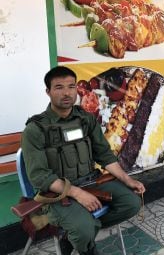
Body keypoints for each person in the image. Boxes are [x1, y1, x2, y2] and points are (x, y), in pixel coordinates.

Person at [21, 66, 145, 255]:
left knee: (132, 203)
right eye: (59, 87)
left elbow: (104, 154)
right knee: (83, 227)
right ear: (48, 92)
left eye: (71, 86)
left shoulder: (86, 119)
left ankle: (75, 236)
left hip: (91, 180)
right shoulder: (36, 129)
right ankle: (85, 242)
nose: (66, 93)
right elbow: (39, 176)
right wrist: (77, 194)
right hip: (57, 194)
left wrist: (128, 180)